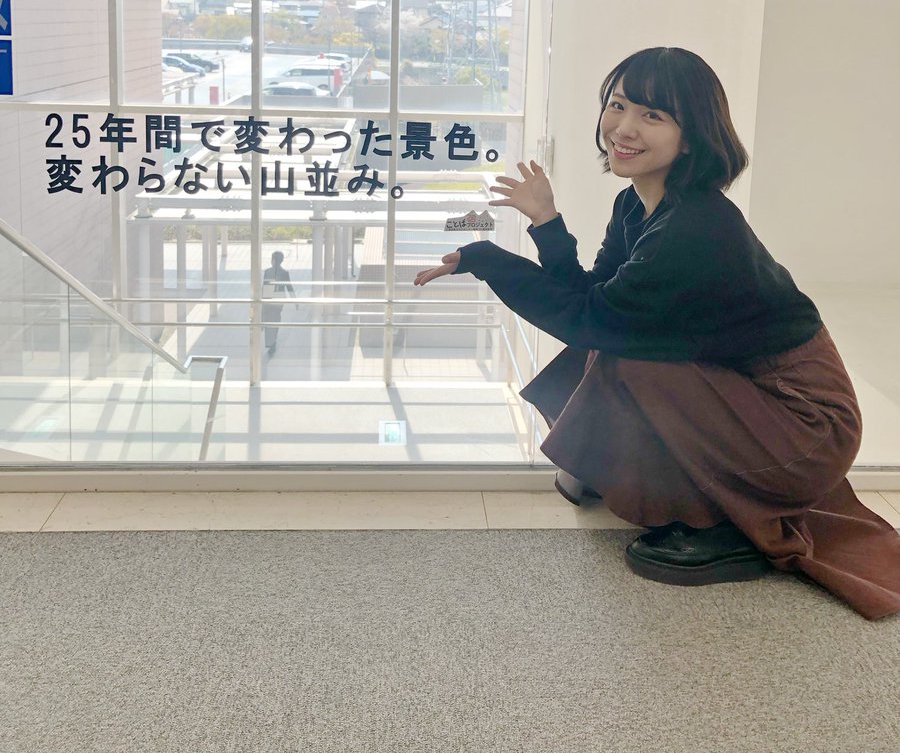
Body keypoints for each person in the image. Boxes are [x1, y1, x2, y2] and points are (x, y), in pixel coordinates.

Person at [414, 47, 900, 621]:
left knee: (628, 356)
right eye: (618, 105)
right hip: (754, 397)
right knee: (618, 343)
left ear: (691, 137)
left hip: (805, 426)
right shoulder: (637, 204)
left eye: (653, 115)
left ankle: (726, 526)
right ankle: (645, 478)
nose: (624, 128)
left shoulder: (695, 227)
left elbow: (592, 319)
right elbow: (594, 297)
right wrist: (546, 221)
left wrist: (489, 259)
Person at [262, 251, 295, 356]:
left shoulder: (268, 272)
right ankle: (272, 341)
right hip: (277, 301)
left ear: (273, 260)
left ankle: (271, 342)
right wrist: (295, 300)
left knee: (270, 320)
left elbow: (265, 287)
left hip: (270, 300)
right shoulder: (284, 273)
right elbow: (289, 287)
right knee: (275, 320)